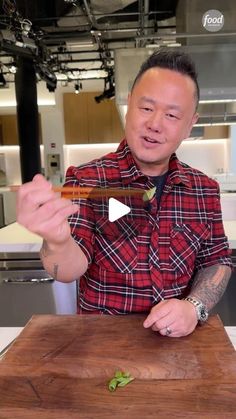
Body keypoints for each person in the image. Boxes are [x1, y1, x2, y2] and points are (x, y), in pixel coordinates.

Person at [17, 48, 232, 338]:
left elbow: (216, 260)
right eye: (146, 108)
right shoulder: (86, 179)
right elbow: (65, 270)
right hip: (102, 346)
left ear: (189, 125)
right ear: (129, 105)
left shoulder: (204, 190)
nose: (154, 124)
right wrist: (56, 241)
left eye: (171, 114)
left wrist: (193, 307)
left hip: (178, 344)